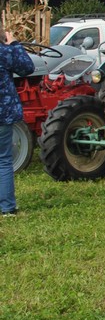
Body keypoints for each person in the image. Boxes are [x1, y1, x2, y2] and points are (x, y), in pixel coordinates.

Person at [0, 29, 36, 216]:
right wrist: (14, 44)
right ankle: (7, 208)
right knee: (4, 160)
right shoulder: (5, 52)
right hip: (3, 113)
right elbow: (27, 67)